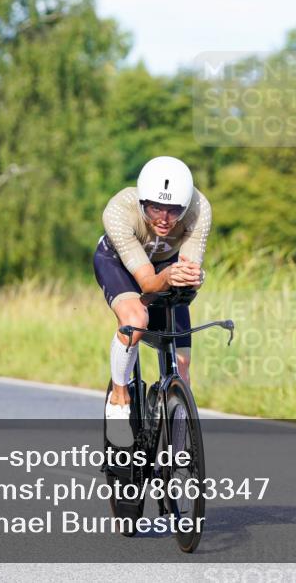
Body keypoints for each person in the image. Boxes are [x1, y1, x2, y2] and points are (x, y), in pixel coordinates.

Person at [93, 156, 211, 447]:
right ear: (142, 200)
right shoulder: (119, 210)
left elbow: (189, 266)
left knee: (181, 364)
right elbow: (147, 283)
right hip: (119, 264)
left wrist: (193, 277)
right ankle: (119, 399)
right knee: (136, 322)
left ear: (185, 206)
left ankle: (180, 447)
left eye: (173, 211)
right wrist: (169, 276)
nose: (163, 219)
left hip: (166, 267)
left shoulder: (199, 207)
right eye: (155, 207)